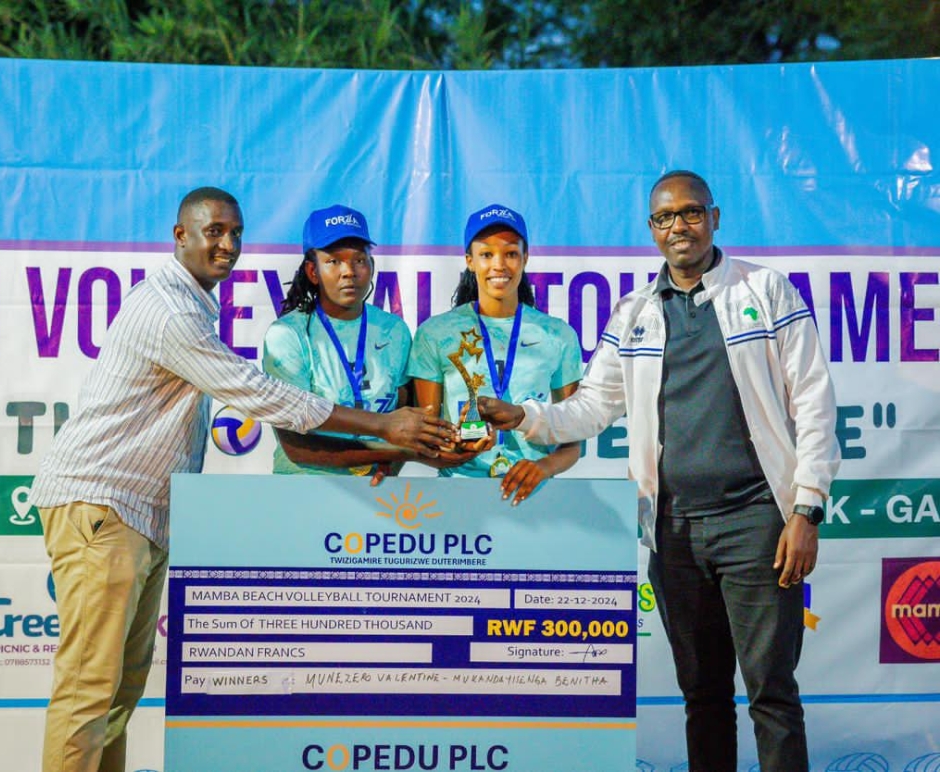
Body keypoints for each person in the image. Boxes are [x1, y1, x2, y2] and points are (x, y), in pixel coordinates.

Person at [28, 187, 455, 772]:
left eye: (234, 232)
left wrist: (398, 446)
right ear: (181, 236)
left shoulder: (197, 303)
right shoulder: (172, 310)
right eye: (213, 232)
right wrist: (384, 425)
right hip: (104, 505)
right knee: (88, 695)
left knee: (119, 698)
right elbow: (260, 394)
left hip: (137, 514)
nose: (226, 245)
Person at [479, 171, 840, 771]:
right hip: (671, 531)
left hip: (758, 526)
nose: (680, 226)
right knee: (702, 697)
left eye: (691, 213)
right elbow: (593, 406)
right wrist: (525, 415)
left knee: (772, 696)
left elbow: (813, 400)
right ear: (651, 229)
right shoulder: (634, 311)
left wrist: (806, 508)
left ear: (715, 218)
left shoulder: (767, 289)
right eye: (665, 217)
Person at [407, 203, 583, 503]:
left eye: (511, 253)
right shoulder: (435, 333)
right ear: (470, 261)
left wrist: (542, 467)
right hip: (459, 494)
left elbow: (572, 440)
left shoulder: (558, 335)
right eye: (486, 254)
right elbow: (426, 438)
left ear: (525, 258)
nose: (499, 265)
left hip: (535, 495)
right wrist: (458, 446)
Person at [262, 204, 413, 482]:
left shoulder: (395, 331)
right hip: (303, 490)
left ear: (371, 265)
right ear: (313, 271)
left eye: (359, 260)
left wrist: (389, 463)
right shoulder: (287, 335)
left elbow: (405, 416)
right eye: (334, 261)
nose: (349, 272)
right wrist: (392, 452)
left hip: (377, 492)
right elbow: (298, 448)